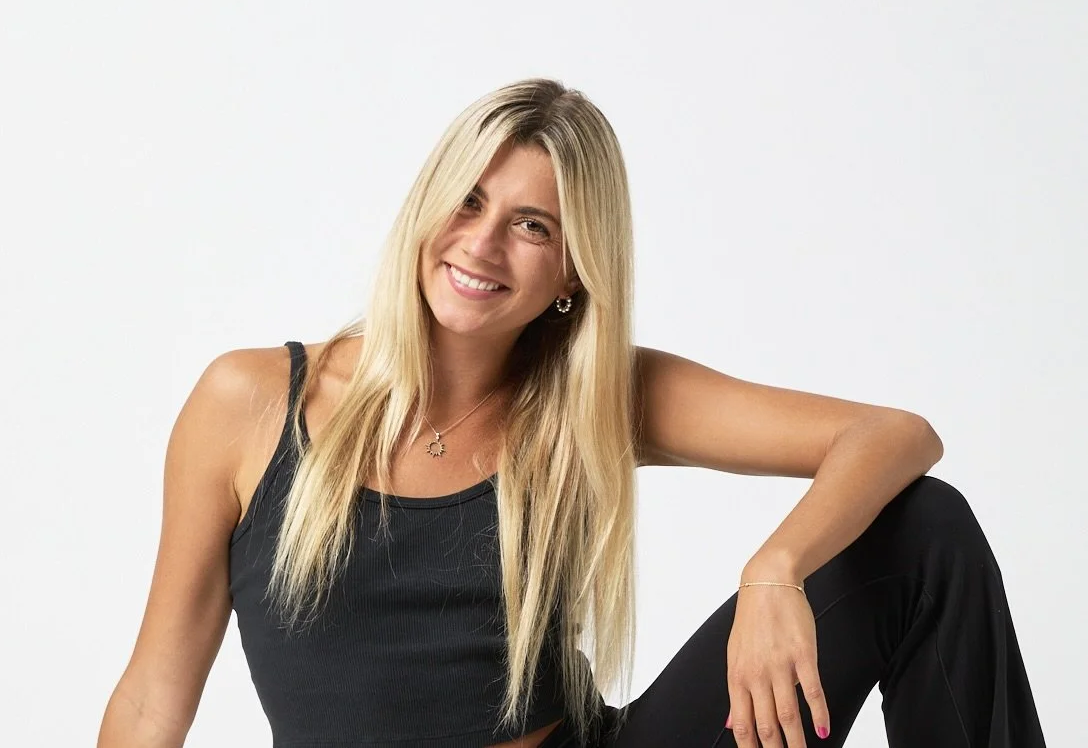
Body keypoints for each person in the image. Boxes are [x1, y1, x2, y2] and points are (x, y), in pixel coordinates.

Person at [98, 78, 1047, 748]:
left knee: (924, 530)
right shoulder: (251, 402)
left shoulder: (590, 398)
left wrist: (775, 571)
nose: (482, 243)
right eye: (467, 201)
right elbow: (151, 701)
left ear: (570, 270)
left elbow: (894, 434)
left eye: (532, 224)